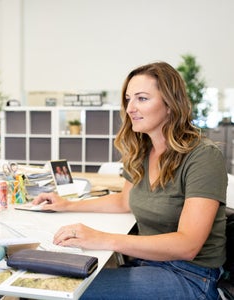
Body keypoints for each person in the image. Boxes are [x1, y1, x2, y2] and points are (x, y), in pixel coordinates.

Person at [33, 62, 228, 299]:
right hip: (148, 265)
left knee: (62, 290)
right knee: (48, 279)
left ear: (170, 104)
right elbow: (124, 201)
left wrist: (102, 239)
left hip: (192, 276)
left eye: (142, 98)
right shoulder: (143, 150)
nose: (130, 108)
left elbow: (188, 245)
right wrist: (66, 205)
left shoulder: (203, 156)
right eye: (128, 99)